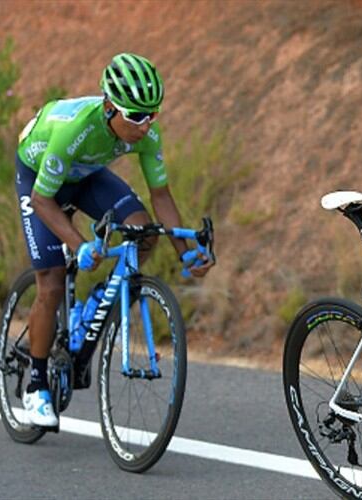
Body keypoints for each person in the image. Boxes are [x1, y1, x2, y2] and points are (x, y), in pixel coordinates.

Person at [15, 53, 214, 427]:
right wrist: (80, 245)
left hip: (86, 174)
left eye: (153, 114)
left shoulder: (146, 132)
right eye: (136, 116)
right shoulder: (75, 129)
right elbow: (43, 200)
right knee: (52, 281)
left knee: (142, 230)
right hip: (38, 176)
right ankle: (36, 384)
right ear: (109, 107)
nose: (146, 125)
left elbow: (161, 197)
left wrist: (185, 253)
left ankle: (96, 303)